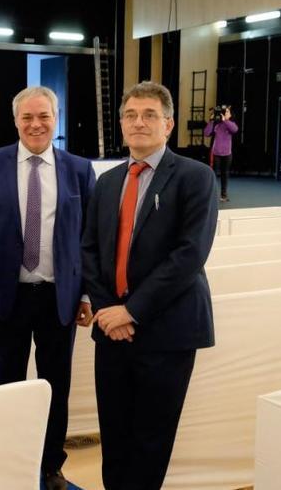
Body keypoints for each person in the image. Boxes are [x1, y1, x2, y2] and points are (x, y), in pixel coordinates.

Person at [81, 81, 219, 490]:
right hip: (112, 332)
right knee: (116, 436)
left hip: (166, 331)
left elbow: (189, 255)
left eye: (149, 115)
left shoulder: (196, 177)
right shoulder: (106, 182)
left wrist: (132, 310)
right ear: (122, 124)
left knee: (151, 440)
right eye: (130, 115)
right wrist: (110, 313)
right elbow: (88, 250)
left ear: (168, 124)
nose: (139, 123)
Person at [0, 86, 95, 490]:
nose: (36, 124)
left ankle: (51, 466)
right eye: (27, 117)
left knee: (56, 385)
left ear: (55, 119)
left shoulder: (78, 168)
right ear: (16, 120)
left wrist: (88, 293)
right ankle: (1, 456)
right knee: (7, 380)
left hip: (61, 299)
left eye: (44, 116)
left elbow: (90, 238)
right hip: (7, 298)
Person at [204, 105, 238, 202]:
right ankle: (212, 195)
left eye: (227, 112)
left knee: (225, 174)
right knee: (213, 174)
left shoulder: (230, 124)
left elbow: (235, 129)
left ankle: (224, 195)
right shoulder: (216, 124)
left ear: (230, 115)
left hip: (227, 154)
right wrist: (211, 121)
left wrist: (225, 121)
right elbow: (206, 133)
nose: (225, 113)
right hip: (216, 153)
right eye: (224, 112)